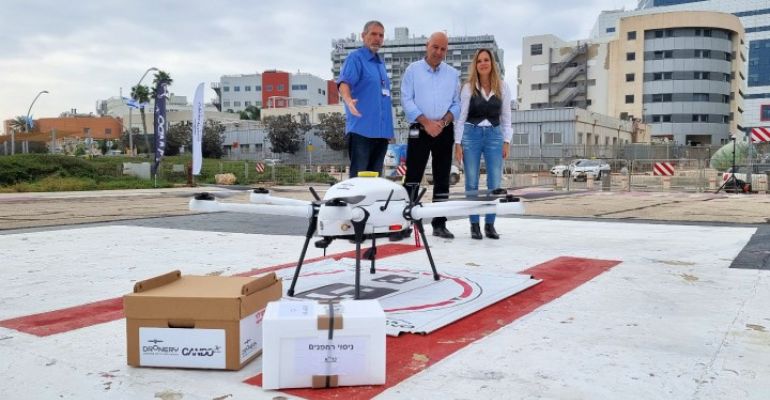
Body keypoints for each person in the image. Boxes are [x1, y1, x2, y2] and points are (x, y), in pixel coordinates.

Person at [400, 32, 461, 239]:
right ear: (427, 46)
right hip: (420, 127)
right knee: (413, 176)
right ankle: (406, 222)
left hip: (444, 129)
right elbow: (407, 101)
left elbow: (456, 104)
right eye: (435, 47)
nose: (439, 52)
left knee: (442, 176)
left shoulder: (452, 74)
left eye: (443, 49)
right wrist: (427, 123)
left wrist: (442, 123)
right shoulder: (412, 71)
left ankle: (439, 223)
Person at [453, 48, 512, 240]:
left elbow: (506, 117)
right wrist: (458, 143)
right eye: (479, 61)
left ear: (492, 63)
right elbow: (461, 118)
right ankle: (474, 225)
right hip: (471, 135)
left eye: (486, 60)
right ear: (475, 65)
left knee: (494, 182)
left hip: (495, 136)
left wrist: (506, 141)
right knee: (471, 182)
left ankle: (489, 224)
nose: (483, 63)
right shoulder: (468, 87)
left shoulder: (502, 87)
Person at [337, 20, 394, 178]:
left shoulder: (380, 64)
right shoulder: (355, 59)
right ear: (363, 36)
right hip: (362, 131)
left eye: (381, 35)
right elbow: (344, 82)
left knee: (375, 181)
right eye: (373, 34)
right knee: (359, 180)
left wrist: (389, 131)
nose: (377, 38)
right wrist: (348, 100)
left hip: (381, 134)